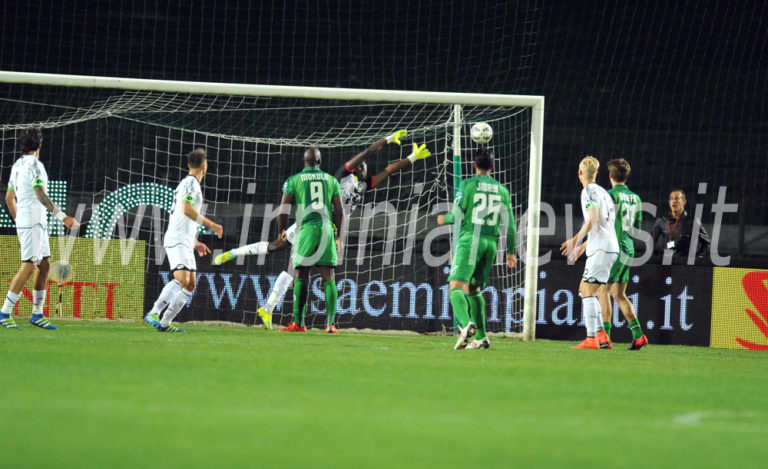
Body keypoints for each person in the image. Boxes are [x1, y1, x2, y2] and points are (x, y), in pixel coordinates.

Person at [214, 129, 431, 332]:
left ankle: (270, 309)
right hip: (315, 221)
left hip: (326, 226)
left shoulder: (365, 185)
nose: (366, 166)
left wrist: (411, 158)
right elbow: (366, 153)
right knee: (282, 252)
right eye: (363, 165)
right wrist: (387, 139)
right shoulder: (341, 176)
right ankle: (241, 264)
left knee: (290, 262)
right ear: (356, 167)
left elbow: (389, 170)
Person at [437, 148, 517, 350]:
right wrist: (510, 251)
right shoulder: (502, 190)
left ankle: (466, 326)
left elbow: (454, 216)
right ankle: (481, 337)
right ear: (493, 166)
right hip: (491, 243)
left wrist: (441, 219)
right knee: (473, 289)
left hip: (471, 239)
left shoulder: (467, 185)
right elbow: (511, 224)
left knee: (455, 287)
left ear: (474, 165)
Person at [1, 128, 79, 330]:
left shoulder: (17, 165)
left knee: (44, 265)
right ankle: (4, 312)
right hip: (33, 221)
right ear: (39, 146)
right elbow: (40, 195)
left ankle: (37, 314)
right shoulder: (36, 165)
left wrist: (19, 220)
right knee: (28, 266)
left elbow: (9, 198)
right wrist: (64, 217)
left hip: (32, 221)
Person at [143, 149, 223, 332]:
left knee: (190, 283)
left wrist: (195, 242)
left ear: (189, 165)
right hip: (177, 238)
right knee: (182, 279)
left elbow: (182, 216)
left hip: (184, 239)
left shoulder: (188, 183)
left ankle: (164, 324)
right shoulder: (191, 184)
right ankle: (154, 312)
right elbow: (186, 209)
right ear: (205, 166)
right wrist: (212, 225)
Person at [275, 147, 345, 333]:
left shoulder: (294, 180)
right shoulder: (331, 180)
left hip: (306, 229)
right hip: (326, 228)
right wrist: (338, 236)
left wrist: (281, 230)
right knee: (328, 277)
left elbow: (283, 209)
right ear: (320, 161)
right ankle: (330, 324)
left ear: (304, 161)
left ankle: (299, 323)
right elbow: (340, 212)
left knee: (301, 275)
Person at [560, 156, 619, 349]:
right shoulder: (604, 193)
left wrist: (574, 240)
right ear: (597, 173)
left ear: (580, 173)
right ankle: (602, 336)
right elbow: (605, 224)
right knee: (584, 288)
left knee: (588, 291)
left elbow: (593, 219)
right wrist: (584, 245)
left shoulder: (588, 192)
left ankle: (591, 338)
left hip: (602, 247)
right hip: (607, 245)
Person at [598, 158, 648, 350]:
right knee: (619, 293)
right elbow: (637, 228)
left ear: (610, 176)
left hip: (614, 248)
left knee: (603, 291)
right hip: (628, 248)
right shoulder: (636, 198)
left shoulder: (609, 195)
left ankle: (606, 338)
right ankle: (638, 335)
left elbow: (602, 223)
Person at [651, 189, 710, 263]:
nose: (674, 201)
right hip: (664, 265)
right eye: (671, 199)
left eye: (677, 198)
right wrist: (653, 260)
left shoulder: (693, 221)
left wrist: (697, 259)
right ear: (669, 202)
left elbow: (707, 243)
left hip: (684, 266)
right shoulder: (662, 221)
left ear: (684, 202)